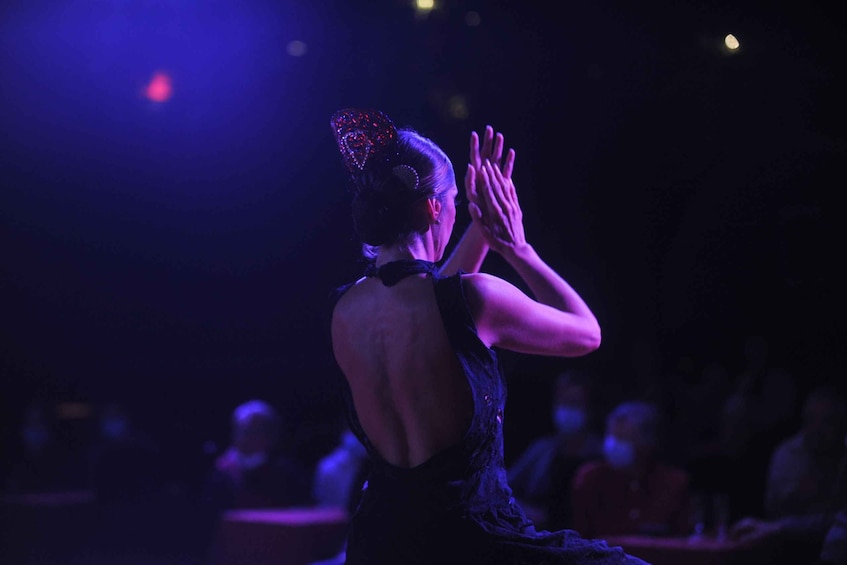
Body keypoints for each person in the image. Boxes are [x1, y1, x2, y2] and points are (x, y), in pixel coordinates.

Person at [327, 107, 647, 564]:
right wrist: (517, 248)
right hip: (469, 543)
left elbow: (440, 309)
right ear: (433, 207)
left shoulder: (345, 309)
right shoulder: (476, 298)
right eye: (455, 199)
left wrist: (481, 225)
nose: (456, 212)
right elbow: (586, 333)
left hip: (381, 543)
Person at [729, 385, 846, 560]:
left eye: (827, 421)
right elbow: (774, 512)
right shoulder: (787, 454)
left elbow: (837, 520)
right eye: (811, 420)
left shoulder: (842, 457)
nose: (817, 430)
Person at [570, 401, 691, 538]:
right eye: (611, 437)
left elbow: (682, 539)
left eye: (623, 438)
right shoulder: (590, 479)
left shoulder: (673, 483)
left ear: (648, 442)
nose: (613, 445)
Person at [507, 368, 603, 530]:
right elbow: (503, 488)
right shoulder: (541, 449)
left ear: (589, 408)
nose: (567, 410)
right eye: (562, 402)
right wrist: (522, 510)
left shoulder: (601, 454)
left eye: (574, 403)